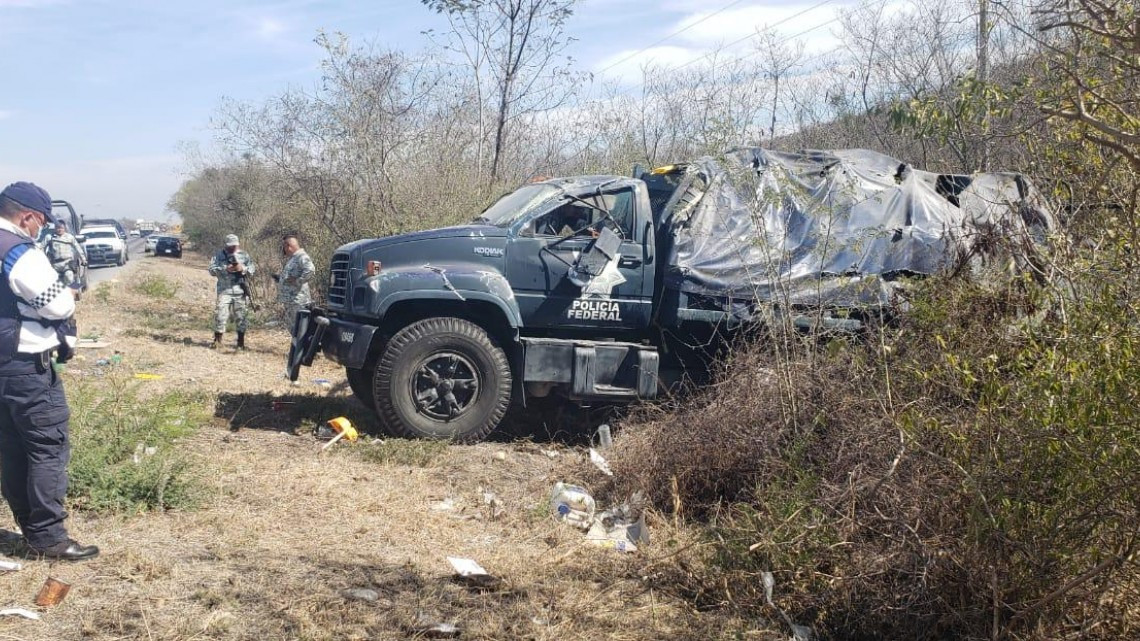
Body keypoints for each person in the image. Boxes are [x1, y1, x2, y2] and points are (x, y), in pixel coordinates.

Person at [0, 182, 98, 561]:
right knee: (46, 449)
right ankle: (49, 539)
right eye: (40, 222)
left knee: (12, 449)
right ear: (27, 216)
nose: (40, 229)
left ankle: (30, 529)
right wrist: (66, 296)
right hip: (26, 368)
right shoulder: (18, 251)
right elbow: (57, 306)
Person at [207, 234, 256, 350]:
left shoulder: (244, 255)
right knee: (220, 314)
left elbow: (252, 269)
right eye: (230, 246)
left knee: (241, 316)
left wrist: (242, 269)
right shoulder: (219, 255)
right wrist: (225, 269)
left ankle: (240, 343)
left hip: (240, 290)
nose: (232, 248)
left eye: (234, 246)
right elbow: (211, 270)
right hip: (224, 290)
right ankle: (217, 340)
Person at [275, 234, 315, 331]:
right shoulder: (294, 258)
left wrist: (298, 281)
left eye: (284, 247)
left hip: (298, 301)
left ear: (288, 246)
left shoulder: (301, 257)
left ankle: (301, 346)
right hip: (292, 302)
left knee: (300, 329)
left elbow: (310, 270)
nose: (284, 250)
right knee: (294, 328)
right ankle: (297, 345)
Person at [47, 221, 85, 288]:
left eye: (61, 228)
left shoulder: (70, 237)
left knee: (69, 276)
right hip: (55, 265)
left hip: (67, 263)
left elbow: (78, 248)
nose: (59, 230)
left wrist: (83, 259)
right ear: (55, 228)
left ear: (64, 228)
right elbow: (40, 248)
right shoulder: (49, 237)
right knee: (53, 282)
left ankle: (73, 293)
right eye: (57, 228)